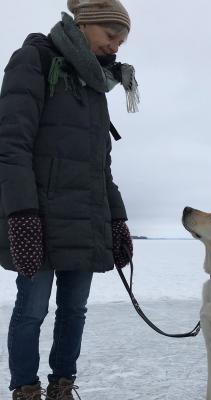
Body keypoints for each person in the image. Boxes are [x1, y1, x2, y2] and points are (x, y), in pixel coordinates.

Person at [1, 1, 139, 398]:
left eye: (122, 41)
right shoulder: (34, 61)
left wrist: (117, 220)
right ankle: (25, 389)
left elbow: (101, 167)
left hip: (85, 220)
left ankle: (63, 386)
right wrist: (22, 214)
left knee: (74, 311)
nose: (116, 47)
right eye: (111, 36)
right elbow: (11, 147)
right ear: (85, 24)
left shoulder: (95, 84)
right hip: (39, 219)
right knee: (31, 311)